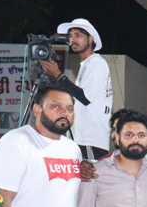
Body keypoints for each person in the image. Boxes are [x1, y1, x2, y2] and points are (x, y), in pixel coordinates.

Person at [39, 18, 112, 160]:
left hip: (90, 139)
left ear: (90, 39)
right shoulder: (86, 65)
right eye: (70, 36)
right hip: (82, 138)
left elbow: (85, 98)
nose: (73, 40)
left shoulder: (96, 63)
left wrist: (58, 75)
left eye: (78, 35)